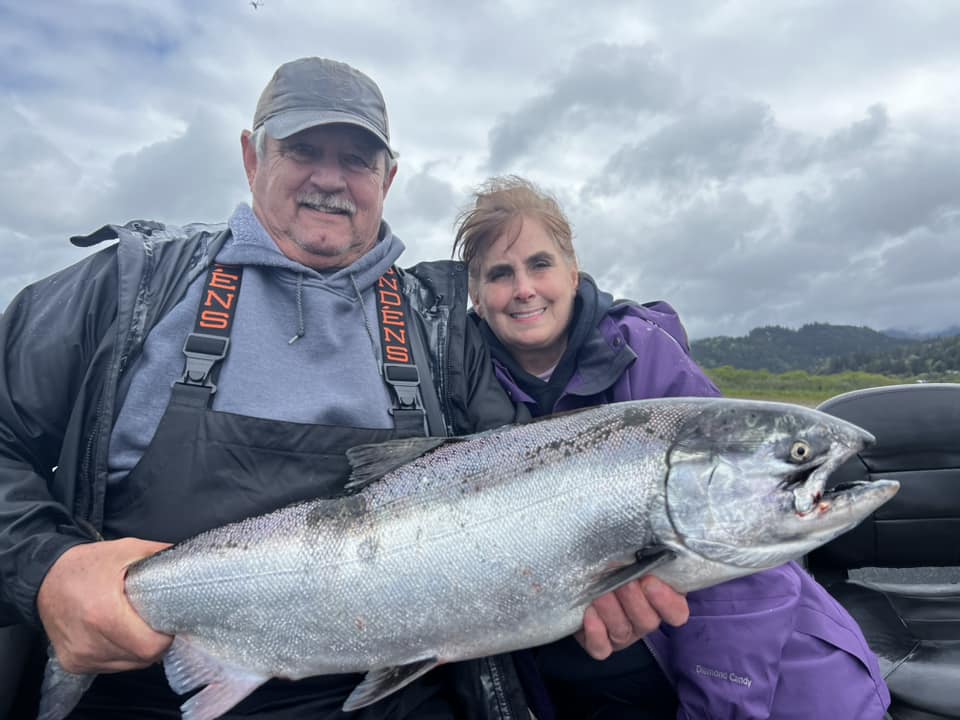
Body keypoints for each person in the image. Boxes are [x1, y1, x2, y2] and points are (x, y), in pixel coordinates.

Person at [0, 59, 689, 719]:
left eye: (356, 159)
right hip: (145, 692)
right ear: (251, 156)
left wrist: (586, 584)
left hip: (400, 697)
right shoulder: (130, 288)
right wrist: (48, 571)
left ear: (388, 177)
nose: (330, 179)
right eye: (304, 149)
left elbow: (522, 515)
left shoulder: (443, 328)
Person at [453, 175, 892, 719]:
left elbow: (747, 577)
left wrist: (718, 709)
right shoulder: (460, 383)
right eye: (500, 274)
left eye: (539, 265)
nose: (523, 288)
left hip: (771, 694)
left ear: (572, 271)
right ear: (475, 294)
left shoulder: (649, 362)